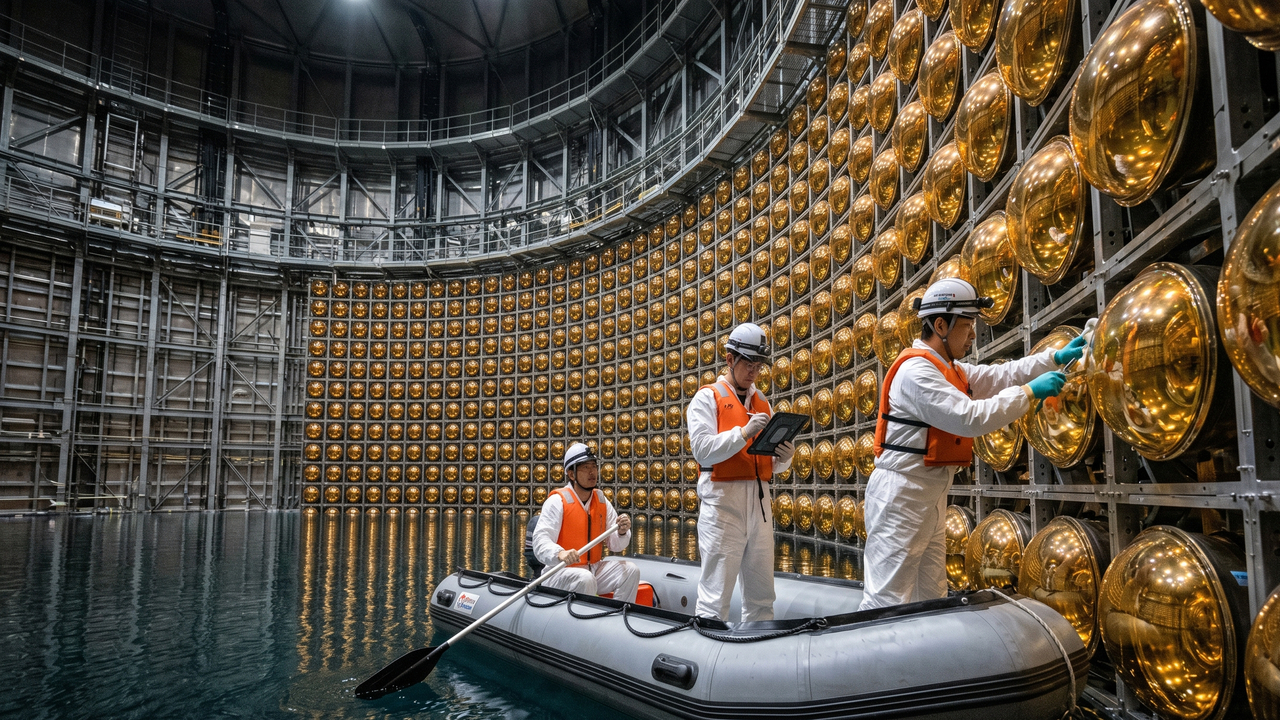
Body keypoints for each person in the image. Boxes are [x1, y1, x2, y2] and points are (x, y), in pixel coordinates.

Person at [859, 278, 1087, 611]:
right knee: (886, 599)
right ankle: (871, 660)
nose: (973, 335)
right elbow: (968, 418)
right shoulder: (915, 372)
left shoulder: (948, 368)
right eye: (967, 326)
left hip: (928, 495)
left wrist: (1053, 358)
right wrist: (1029, 393)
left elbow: (1001, 376)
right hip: (901, 495)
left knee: (931, 595)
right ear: (940, 325)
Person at [687, 322, 795, 622]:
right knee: (715, 595)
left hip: (760, 508)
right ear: (729, 359)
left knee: (762, 596)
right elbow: (703, 450)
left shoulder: (763, 403)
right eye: (749, 364)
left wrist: (785, 458)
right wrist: (742, 432)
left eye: (758, 366)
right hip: (722, 507)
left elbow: (770, 462)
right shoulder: (706, 399)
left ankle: (759, 652)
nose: (754, 372)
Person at [531, 442, 639, 602]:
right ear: (571, 474)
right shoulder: (557, 501)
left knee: (631, 570)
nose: (592, 472)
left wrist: (622, 532)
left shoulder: (601, 500)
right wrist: (559, 553)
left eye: (594, 466)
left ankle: (619, 616)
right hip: (559, 572)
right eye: (585, 467)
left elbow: (615, 545)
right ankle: (584, 620)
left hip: (593, 569)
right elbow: (540, 541)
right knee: (585, 578)